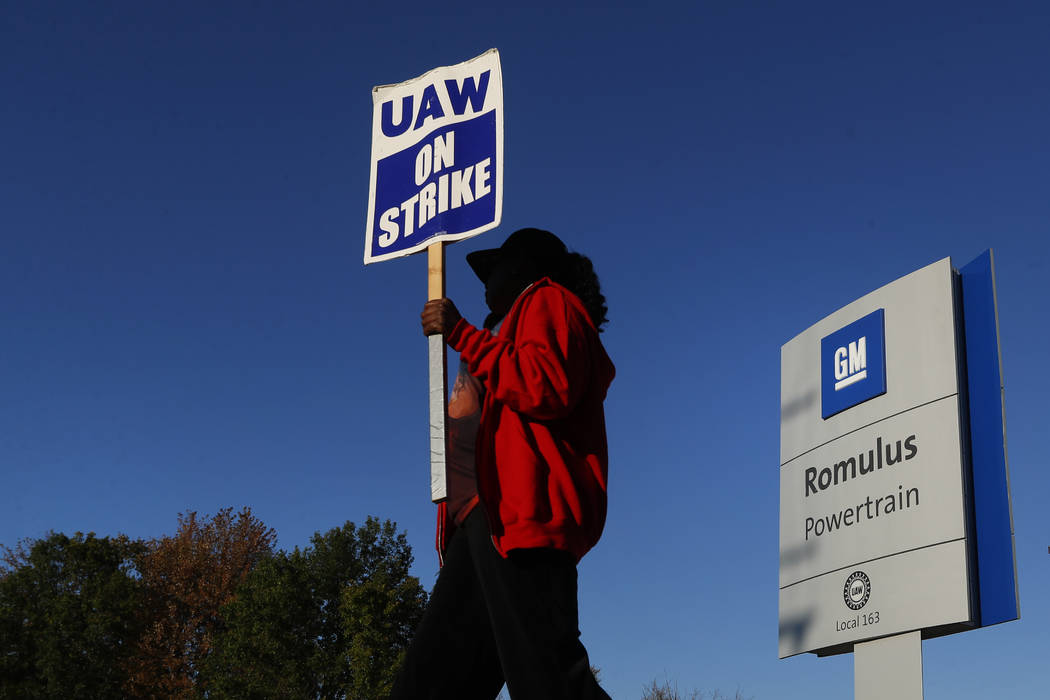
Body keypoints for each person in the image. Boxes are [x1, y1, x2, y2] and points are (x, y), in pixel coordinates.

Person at [390, 228, 615, 700]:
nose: (485, 282)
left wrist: (460, 333)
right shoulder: (503, 328)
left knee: (547, 680)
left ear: (525, 268)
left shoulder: (550, 301)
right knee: (429, 685)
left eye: (495, 269)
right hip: (480, 524)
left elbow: (544, 384)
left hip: (520, 519)